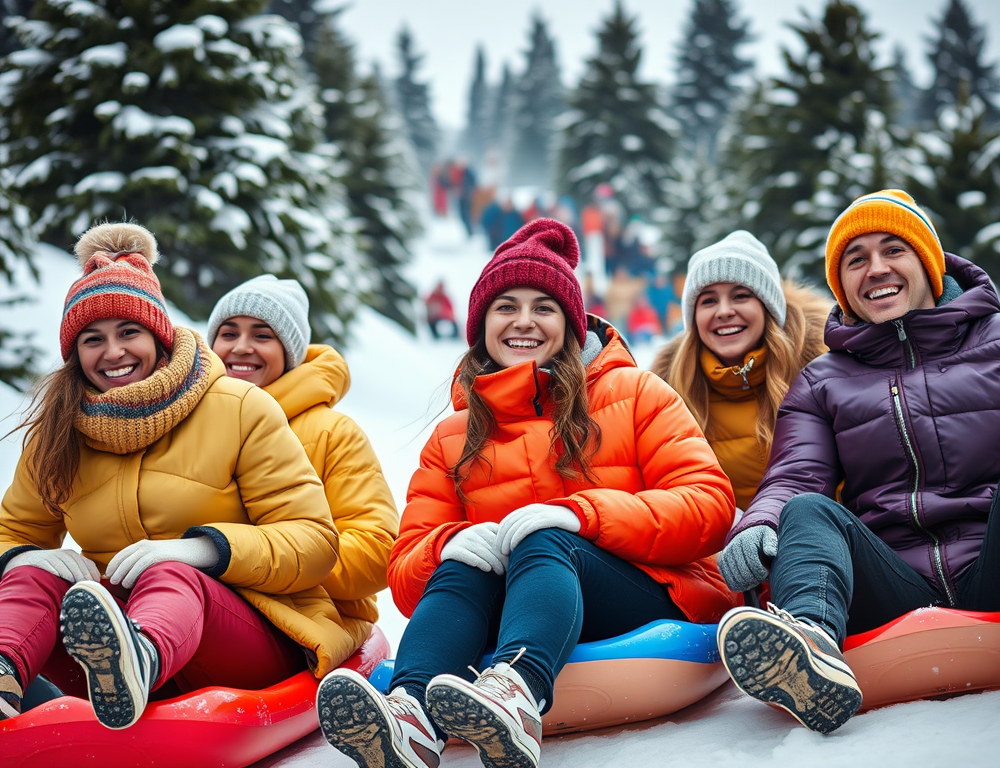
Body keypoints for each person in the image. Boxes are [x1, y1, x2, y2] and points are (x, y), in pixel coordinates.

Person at [316, 219, 738, 768]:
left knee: (544, 537)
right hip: (521, 605)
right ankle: (411, 714)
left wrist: (582, 517)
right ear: (482, 325)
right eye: (505, 306)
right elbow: (405, 568)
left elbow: (708, 505)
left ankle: (516, 691)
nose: (524, 321)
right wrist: (447, 547)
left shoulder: (635, 393)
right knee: (466, 558)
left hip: (649, 594)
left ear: (568, 321)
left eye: (543, 307)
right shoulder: (454, 436)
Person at [0, 223, 342, 729]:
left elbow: (315, 542)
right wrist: (27, 554)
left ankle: (137, 661)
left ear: (159, 336)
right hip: (106, 644)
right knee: (33, 573)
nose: (112, 352)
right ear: (75, 355)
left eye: (128, 332)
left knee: (171, 573)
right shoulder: (59, 431)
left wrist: (200, 551)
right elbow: (16, 530)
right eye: (93, 339)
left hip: (244, 637)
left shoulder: (240, 407)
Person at [714, 190, 1000, 735]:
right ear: (844, 286)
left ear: (928, 263)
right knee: (808, 509)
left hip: (998, 565)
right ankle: (810, 646)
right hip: (893, 581)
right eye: (856, 260)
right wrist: (760, 522)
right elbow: (795, 473)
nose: (876, 268)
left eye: (892, 250)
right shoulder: (823, 380)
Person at [207, 274, 399, 665]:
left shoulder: (331, 433)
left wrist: (261, 562)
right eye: (228, 333)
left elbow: (378, 550)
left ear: (290, 353)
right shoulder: (193, 426)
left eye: (262, 336)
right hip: (203, 604)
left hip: (310, 619)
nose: (241, 347)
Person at [650, 231, 831, 511]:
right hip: (719, 547)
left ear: (767, 306)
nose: (724, 311)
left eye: (740, 296)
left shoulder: (821, 369)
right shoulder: (667, 389)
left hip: (817, 540)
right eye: (709, 300)